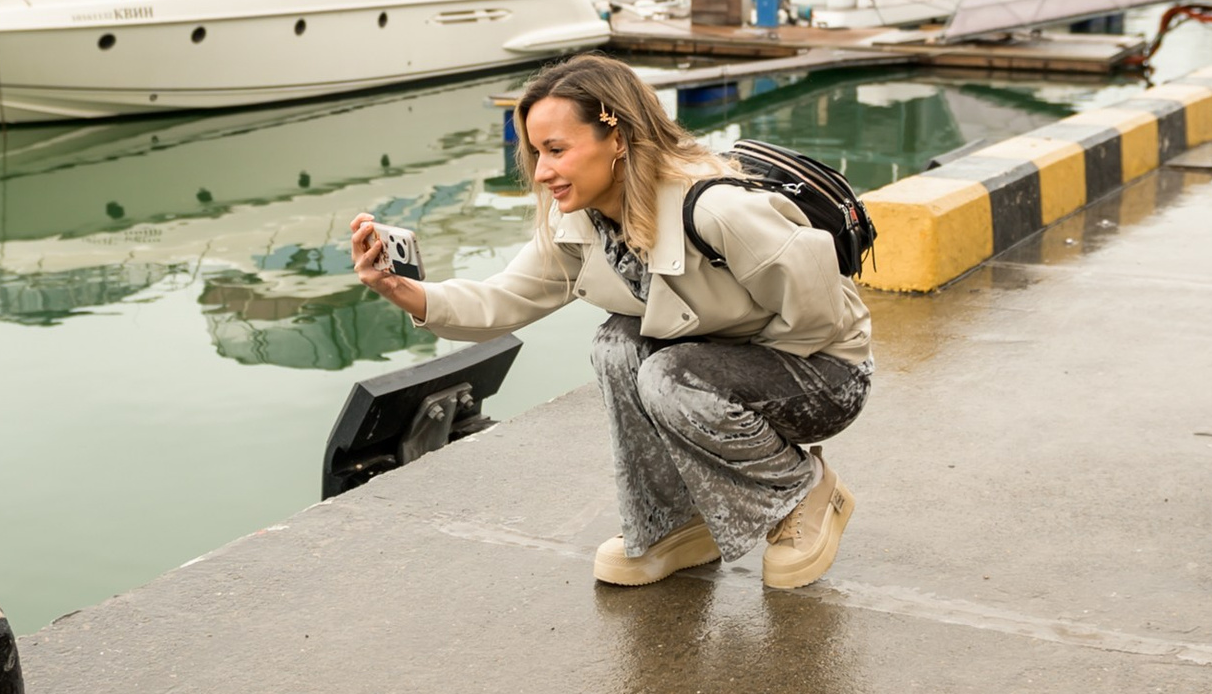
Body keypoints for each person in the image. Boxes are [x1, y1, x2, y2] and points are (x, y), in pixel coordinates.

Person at [348, 53, 872, 589]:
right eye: (534, 152)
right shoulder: (579, 219)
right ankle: (671, 525)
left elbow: (822, 315)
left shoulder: (713, 209)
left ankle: (802, 490)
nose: (542, 170)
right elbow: (503, 299)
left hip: (824, 376)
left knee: (667, 376)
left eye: (556, 149)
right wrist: (402, 289)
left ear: (616, 139)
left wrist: (714, 365)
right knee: (616, 345)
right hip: (716, 367)